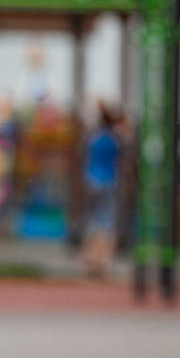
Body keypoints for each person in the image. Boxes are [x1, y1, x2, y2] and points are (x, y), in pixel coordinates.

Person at [81, 103, 125, 278]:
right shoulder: (114, 139)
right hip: (109, 181)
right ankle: (103, 259)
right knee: (107, 222)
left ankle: (90, 256)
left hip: (92, 180)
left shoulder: (94, 138)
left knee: (93, 219)